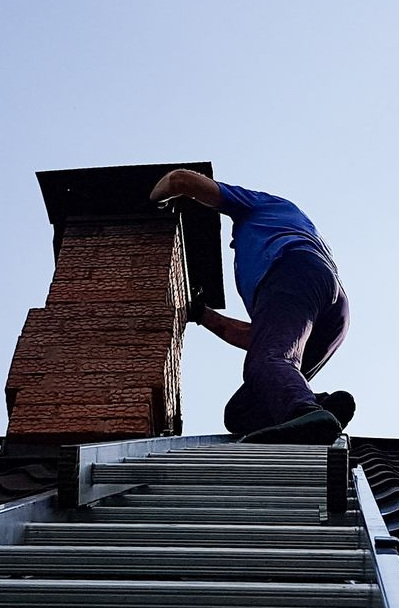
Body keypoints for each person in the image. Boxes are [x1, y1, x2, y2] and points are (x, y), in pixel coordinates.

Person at [149, 169, 354, 444]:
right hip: (332, 307)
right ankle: (324, 408)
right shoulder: (297, 226)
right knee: (242, 411)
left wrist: (154, 203)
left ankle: (305, 412)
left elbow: (179, 180)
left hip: (292, 269)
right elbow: (260, 338)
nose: (235, 244)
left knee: (268, 362)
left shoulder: (259, 205)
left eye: (235, 242)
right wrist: (204, 315)